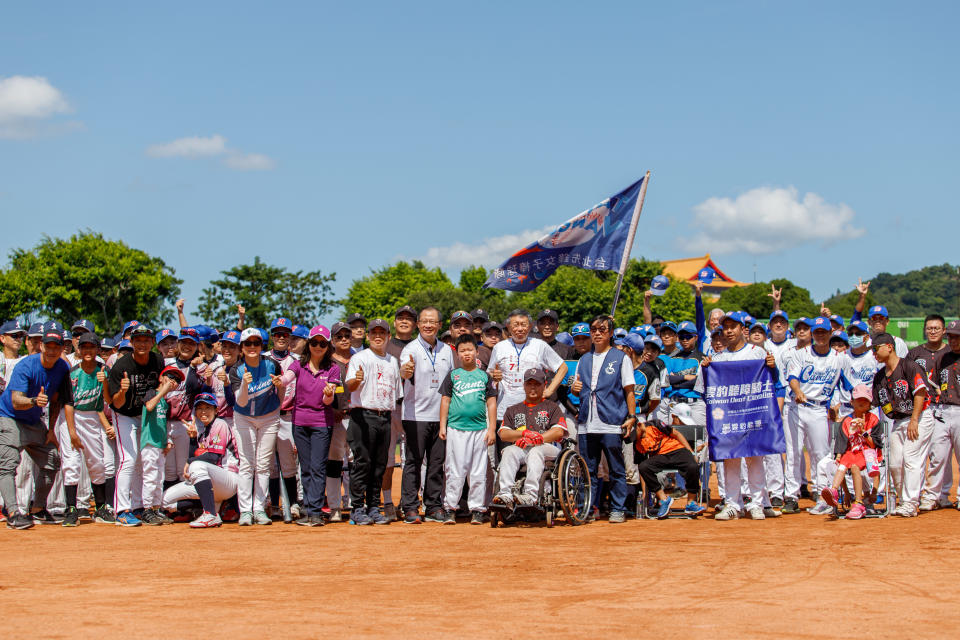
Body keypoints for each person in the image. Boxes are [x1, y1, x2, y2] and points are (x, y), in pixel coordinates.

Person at [695, 312, 779, 521]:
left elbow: (774, 382)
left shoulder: (758, 353)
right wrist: (706, 370)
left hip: (752, 413)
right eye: (726, 327)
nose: (729, 331)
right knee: (730, 460)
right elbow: (705, 389)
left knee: (755, 457)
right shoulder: (719, 358)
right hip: (730, 417)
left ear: (744, 330)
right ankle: (733, 504)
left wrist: (772, 367)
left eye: (734, 326)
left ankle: (757, 503)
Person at [0, 322, 72, 530]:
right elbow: (15, 401)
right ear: (41, 346)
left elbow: (58, 400)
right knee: (8, 465)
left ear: (61, 348)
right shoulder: (26, 365)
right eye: (48, 346)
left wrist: (50, 430)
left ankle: (38, 508)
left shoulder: (61, 368)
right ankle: (13, 513)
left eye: (56, 347)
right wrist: (34, 401)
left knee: (52, 460)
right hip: (9, 417)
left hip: (34, 422)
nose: (51, 350)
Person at [571, 314, 636, 523]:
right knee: (587, 469)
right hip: (586, 422)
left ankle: (618, 508)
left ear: (610, 333)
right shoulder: (584, 359)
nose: (597, 333)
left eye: (602, 330)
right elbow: (577, 388)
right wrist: (574, 388)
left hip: (611, 420)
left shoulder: (621, 358)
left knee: (616, 468)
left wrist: (632, 416)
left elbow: (629, 390)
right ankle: (587, 509)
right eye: (594, 330)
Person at [786, 316, 850, 515]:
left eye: (824, 332)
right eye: (817, 332)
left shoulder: (839, 358)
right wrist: (797, 391)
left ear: (830, 333)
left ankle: (822, 495)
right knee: (793, 453)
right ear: (813, 334)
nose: (820, 335)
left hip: (820, 410)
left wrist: (839, 403)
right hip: (797, 407)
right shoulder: (801, 354)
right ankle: (791, 496)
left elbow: (847, 385)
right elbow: (792, 378)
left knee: (821, 455)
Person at [398, 307, 455, 524]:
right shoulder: (410, 349)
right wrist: (406, 372)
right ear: (418, 325)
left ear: (440, 325)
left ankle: (433, 506)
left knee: (436, 463)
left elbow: (451, 381)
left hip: (440, 416)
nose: (428, 325)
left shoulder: (447, 351)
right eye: (424, 321)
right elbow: (404, 371)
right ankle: (410, 506)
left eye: (433, 321)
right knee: (413, 461)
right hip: (415, 415)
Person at [280, 325, 340, 527]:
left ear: (328, 345)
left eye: (322, 343)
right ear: (308, 344)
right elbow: (287, 378)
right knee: (304, 468)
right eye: (314, 342)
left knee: (318, 467)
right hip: (299, 422)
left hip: (321, 423)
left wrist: (328, 394)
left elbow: (328, 403)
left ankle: (315, 511)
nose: (318, 346)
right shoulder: (299, 365)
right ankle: (307, 508)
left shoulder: (333, 368)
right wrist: (280, 381)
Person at [345, 318, 403, 526]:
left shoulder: (392, 361)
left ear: (388, 336)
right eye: (374, 333)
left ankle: (373, 506)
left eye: (382, 333)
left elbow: (396, 393)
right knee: (363, 463)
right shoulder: (360, 358)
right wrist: (356, 379)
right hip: (363, 414)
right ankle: (356, 508)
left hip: (384, 415)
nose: (378, 336)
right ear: (368, 336)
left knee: (379, 465)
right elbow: (350, 386)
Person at [871, 332, 935, 517]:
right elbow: (875, 403)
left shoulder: (909, 366)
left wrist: (914, 420)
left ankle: (910, 502)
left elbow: (920, 393)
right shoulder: (880, 376)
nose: (874, 353)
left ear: (889, 347)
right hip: (898, 420)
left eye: (876, 348)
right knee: (894, 463)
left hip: (920, 416)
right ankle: (903, 499)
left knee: (911, 458)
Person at [106, 323, 163, 527]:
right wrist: (122, 391)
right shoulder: (122, 366)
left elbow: (160, 385)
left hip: (145, 415)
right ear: (131, 342)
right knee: (127, 460)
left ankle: (138, 507)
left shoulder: (157, 360)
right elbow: (116, 403)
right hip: (124, 415)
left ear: (152, 343)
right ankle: (121, 510)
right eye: (138, 340)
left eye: (146, 340)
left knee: (141, 462)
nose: (142, 344)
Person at [438, 335, 497, 524]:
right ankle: (450, 508)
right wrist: (443, 425)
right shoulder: (453, 375)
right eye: (462, 350)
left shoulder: (484, 376)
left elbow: (491, 403)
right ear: (458, 353)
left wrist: (492, 428)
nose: (466, 353)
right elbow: (445, 401)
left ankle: (478, 509)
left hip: (479, 429)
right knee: (454, 469)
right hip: (456, 428)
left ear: (476, 352)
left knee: (478, 471)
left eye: (470, 349)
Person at [230, 327, 285, 526]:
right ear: (242, 347)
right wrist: (245, 384)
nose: (252, 347)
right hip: (244, 418)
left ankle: (259, 508)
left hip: (269, 417)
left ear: (262, 345)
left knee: (263, 465)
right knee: (246, 464)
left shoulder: (272, 364)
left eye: (256, 343)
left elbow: (281, 392)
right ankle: (245, 511)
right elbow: (241, 401)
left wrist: (279, 391)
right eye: (248, 344)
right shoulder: (235, 370)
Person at [60, 332, 116, 526]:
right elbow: (68, 402)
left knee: (97, 464)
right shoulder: (73, 372)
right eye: (84, 347)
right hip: (72, 416)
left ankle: (100, 508)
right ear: (79, 350)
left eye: (91, 347)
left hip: (93, 416)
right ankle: (71, 509)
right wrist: (72, 431)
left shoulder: (104, 370)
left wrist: (105, 382)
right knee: (72, 464)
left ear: (97, 350)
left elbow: (108, 400)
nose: (87, 351)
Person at [161, 393, 240, 528]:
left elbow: (214, 457)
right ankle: (207, 507)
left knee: (196, 466)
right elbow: (195, 456)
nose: (203, 411)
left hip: (228, 480)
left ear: (216, 410)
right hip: (211, 483)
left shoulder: (220, 424)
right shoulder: (203, 432)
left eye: (208, 408)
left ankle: (211, 514)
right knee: (165, 500)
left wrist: (190, 462)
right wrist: (193, 438)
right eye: (200, 408)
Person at [493, 368, 568, 508]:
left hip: (547, 448)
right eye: (529, 384)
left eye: (537, 384)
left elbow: (558, 431)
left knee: (536, 451)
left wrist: (537, 438)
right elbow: (503, 434)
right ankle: (505, 494)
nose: (533, 387)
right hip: (522, 447)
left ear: (544, 385)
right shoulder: (513, 409)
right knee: (509, 451)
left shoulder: (552, 407)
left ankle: (531, 495)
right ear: (524, 385)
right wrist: (524, 434)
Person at [487, 310, 568, 425]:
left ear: (530, 326)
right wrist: (494, 377)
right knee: (507, 442)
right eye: (515, 325)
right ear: (508, 327)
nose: (520, 329)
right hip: (504, 410)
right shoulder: (499, 347)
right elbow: (489, 374)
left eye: (523, 324)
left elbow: (562, 367)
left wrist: (550, 390)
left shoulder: (540, 345)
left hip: (534, 410)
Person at [819, 385, 882, 520]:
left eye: (865, 400)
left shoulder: (873, 420)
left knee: (854, 467)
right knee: (841, 465)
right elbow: (841, 443)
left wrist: (863, 431)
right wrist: (839, 456)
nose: (861, 402)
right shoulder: (847, 421)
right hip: (851, 452)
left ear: (870, 403)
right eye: (858, 399)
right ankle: (834, 491)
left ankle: (858, 503)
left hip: (867, 453)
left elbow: (874, 444)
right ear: (852, 402)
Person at [380, 305, 418, 521]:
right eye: (400, 318)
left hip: (413, 408)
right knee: (387, 459)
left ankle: (408, 501)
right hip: (390, 407)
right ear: (394, 323)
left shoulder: (419, 346)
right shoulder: (385, 345)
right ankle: (387, 501)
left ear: (414, 324)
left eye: (409, 319)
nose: (404, 321)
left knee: (410, 459)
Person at [635, 418, 707, 518]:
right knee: (644, 467)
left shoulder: (654, 424)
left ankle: (691, 503)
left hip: (677, 450)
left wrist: (691, 452)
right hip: (660, 457)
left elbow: (677, 434)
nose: (634, 437)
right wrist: (644, 493)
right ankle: (664, 499)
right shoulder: (636, 443)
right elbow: (641, 466)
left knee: (692, 466)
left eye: (634, 434)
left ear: (638, 426)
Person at [139, 365, 184, 525]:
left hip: (159, 443)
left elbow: (163, 423)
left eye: (176, 380)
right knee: (150, 476)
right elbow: (149, 406)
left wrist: (166, 441)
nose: (173, 381)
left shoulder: (165, 402)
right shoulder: (153, 393)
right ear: (161, 377)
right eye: (170, 377)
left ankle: (156, 509)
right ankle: (146, 509)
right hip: (149, 442)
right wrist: (163, 391)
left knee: (159, 478)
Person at [267, 317, 301, 521]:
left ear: (290, 337)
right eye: (277, 334)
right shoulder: (263, 358)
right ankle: (273, 505)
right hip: (267, 416)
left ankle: (294, 502)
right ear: (272, 337)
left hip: (288, 416)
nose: (281, 337)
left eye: (285, 334)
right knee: (269, 464)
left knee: (289, 463)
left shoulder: (296, 361)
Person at [924, 320, 960, 511]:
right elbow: (935, 383)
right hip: (943, 410)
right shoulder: (942, 358)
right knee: (938, 456)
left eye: (957, 337)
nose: (953, 340)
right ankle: (935, 496)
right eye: (951, 336)